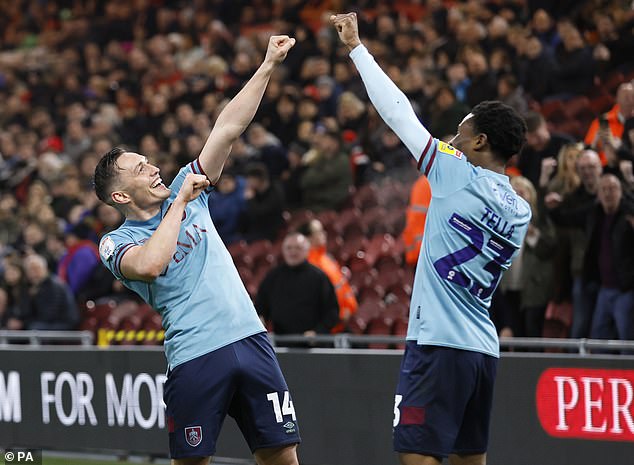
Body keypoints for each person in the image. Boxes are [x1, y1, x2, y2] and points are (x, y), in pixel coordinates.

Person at [331, 13, 530, 465]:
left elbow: (398, 111)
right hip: (482, 349)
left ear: (480, 141)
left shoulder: (455, 173)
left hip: (438, 344)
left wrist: (357, 48)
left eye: (461, 129)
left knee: (417, 458)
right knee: (469, 460)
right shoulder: (521, 208)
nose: (452, 137)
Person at [93, 36, 301, 465]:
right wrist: (182, 202)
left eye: (149, 161)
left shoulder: (186, 190)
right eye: (139, 168)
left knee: (282, 455)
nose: (153, 167)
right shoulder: (116, 242)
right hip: (194, 355)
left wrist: (267, 65)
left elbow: (226, 128)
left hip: (251, 339)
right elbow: (151, 265)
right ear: (120, 198)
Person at [256, 232, 339, 342]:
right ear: (283, 250)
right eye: (289, 248)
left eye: (298, 248)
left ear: (307, 251)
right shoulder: (273, 277)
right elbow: (260, 307)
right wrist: (260, 321)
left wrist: (318, 332)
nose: (293, 252)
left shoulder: (319, 277)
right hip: (281, 343)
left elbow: (332, 311)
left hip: (312, 346)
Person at [297, 219, 357, 333]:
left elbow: (343, 287)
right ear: (308, 238)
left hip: (340, 325)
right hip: (324, 329)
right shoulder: (306, 265)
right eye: (318, 232)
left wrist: (349, 308)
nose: (323, 234)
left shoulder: (327, 259)